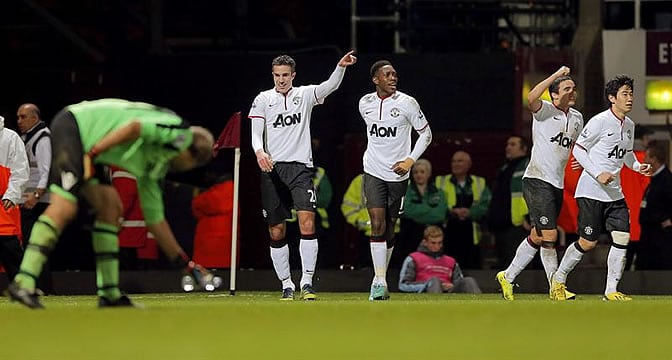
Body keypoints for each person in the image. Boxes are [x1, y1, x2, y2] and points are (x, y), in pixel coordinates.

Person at [5, 98, 215, 309]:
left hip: (95, 147)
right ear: (191, 153)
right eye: (191, 165)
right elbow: (134, 127)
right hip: (76, 126)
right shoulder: (181, 133)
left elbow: (155, 221)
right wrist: (94, 153)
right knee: (65, 207)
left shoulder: (155, 165)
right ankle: (23, 283)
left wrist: (186, 265)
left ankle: (109, 293)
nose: (184, 170)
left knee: (111, 209)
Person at [249, 51, 357, 300]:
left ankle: (307, 282)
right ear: (273, 75)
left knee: (307, 222)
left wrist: (340, 67)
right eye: (277, 75)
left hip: (299, 168)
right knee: (276, 230)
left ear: (293, 75)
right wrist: (259, 151)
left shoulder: (304, 94)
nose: (281, 80)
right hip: (272, 168)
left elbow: (329, 87)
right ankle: (286, 284)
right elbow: (256, 131)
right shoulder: (263, 99)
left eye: (285, 75)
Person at [550, 75, 652, 301]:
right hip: (591, 191)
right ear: (611, 98)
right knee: (588, 242)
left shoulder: (630, 125)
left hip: (615, 193)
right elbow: (578, 149)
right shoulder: (599, 121)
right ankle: (558, 279)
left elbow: (626, 154)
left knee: (622, 238)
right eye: (624, 94)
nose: (630, 98)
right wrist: (598, 173)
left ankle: (611, 291)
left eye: (631, 93)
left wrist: (637, 166)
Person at [496, 66, 584, 300]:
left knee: (537, 236)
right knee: (550, 235)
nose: (572, 92)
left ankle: (507, 275)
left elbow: (579, 146)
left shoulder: (576, 118)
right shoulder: (544, 110)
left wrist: (583, 160)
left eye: (573, 88)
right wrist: (556, 76)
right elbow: (531, 97)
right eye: (566, 89)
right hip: (537, 179)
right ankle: (556, 286)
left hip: (556, 183)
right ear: (554, 95)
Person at [359, 59, 432, 300]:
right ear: (375, 79)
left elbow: (426, 134)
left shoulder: (407, 103)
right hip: (373, 170)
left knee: (389, 227)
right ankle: (379, 281)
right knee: (377, 223)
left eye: (395, 74)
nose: (393, 78)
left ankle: (381, 274)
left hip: (398, 174)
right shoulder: (364, 104)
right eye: (387, 75)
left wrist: (410, 161)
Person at [16, 103, 53, 292]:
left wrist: (36, 195)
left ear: (34, 118)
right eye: (18, 117)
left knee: (36, 244)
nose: (19, 121)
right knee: (32, 244)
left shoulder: (42, 137)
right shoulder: (29, 138)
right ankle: (38, 286)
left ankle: (44, 287)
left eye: (23, 117)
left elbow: (47, 170)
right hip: (29, 201)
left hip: (38, 203)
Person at [436, 150, 491, 269]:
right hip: (447, 231)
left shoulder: (479, 182)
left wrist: (470, 213)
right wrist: (450, 211)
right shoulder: (440, 181)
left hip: (471, 232)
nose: (455, 164)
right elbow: (434, 203)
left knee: (471, 268)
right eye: (453, 161)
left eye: (460, 161)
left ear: (468, 164)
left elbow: (486, 205)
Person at [487, 135, 530, 271]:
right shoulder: (505, 167)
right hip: (502, 224)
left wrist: (529, 217)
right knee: (504, 262)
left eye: (513, 145)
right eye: (507, 144)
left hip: (519, 224)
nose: (508, 148)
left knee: (517, 262)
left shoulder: (527, 165)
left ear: (524, 148)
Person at [394, 158, 446, 269]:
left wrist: (418, 212)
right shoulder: (405, 191)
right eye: (415, 172)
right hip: (410, 235)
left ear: (429, 173)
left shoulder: (439, 192)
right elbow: (406, 211)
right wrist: (428, 210)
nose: (419, 175)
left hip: (432, 235)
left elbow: (440, 214)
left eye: (422, 172)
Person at [399, 225, 481, 294]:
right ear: (425, 242)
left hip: (449, 292)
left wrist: (450, 286)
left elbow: (459, 282)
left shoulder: (451, 261)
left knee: (468, 281)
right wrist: (427, 285)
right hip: (426, 292)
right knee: (435, 281)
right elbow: (403, 285)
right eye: (433, 243)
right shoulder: (413, 258)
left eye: (439, 243)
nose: (437, 246)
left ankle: (480, 309)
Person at [110, 166, 159, 270]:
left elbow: (124, 199)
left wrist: (109, 227)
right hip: (140, 242)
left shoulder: (122, 167)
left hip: (129, 240)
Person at [0, 115, 30, 281]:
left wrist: (11, 195)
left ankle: (23, 287)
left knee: (10, 250)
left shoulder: (10, 138)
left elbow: (20, 170)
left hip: (4, 205)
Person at [637, 141, 672, 269]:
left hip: (660, 238)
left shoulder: (666, 180)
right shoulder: (655, 180)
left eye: (647, 156)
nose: (644, 159)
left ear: (654, 159)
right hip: (649, 235)